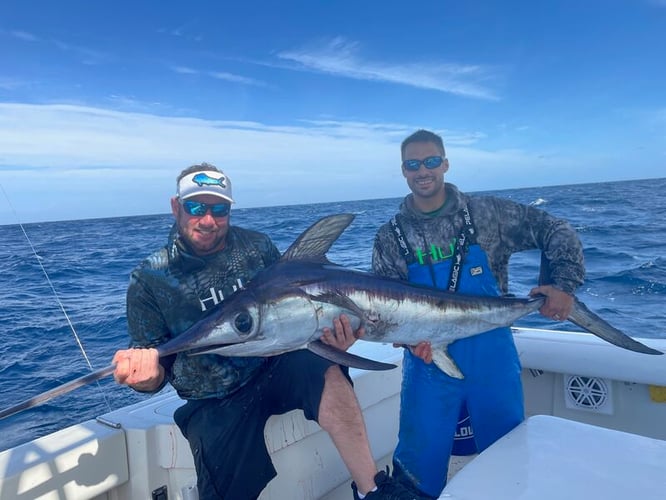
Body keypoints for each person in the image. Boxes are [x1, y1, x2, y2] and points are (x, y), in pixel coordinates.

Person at [112, 163, 416, 500]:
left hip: (277, 366)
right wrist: (146, 377)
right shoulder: (150, 278)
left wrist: (337, 335)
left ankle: (371, 488)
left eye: (220, 209)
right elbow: (156, 366)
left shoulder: (256, 246)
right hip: (214, 398)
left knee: (329, 370)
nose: (208, 220)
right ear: (176, 206)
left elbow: (302, 308)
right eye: (196, 207)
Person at [371, 130, 585, 498]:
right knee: (414, 478)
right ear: (403, 171)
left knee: (510, 465)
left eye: (431, 161)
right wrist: (408, 342)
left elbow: (555, 229)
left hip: (493, 359)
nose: (423, 171)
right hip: (428, 368)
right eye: (413, 164)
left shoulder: (486, 214)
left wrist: (562, 284)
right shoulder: (390, 236)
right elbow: (389, 310)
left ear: (445, 163)